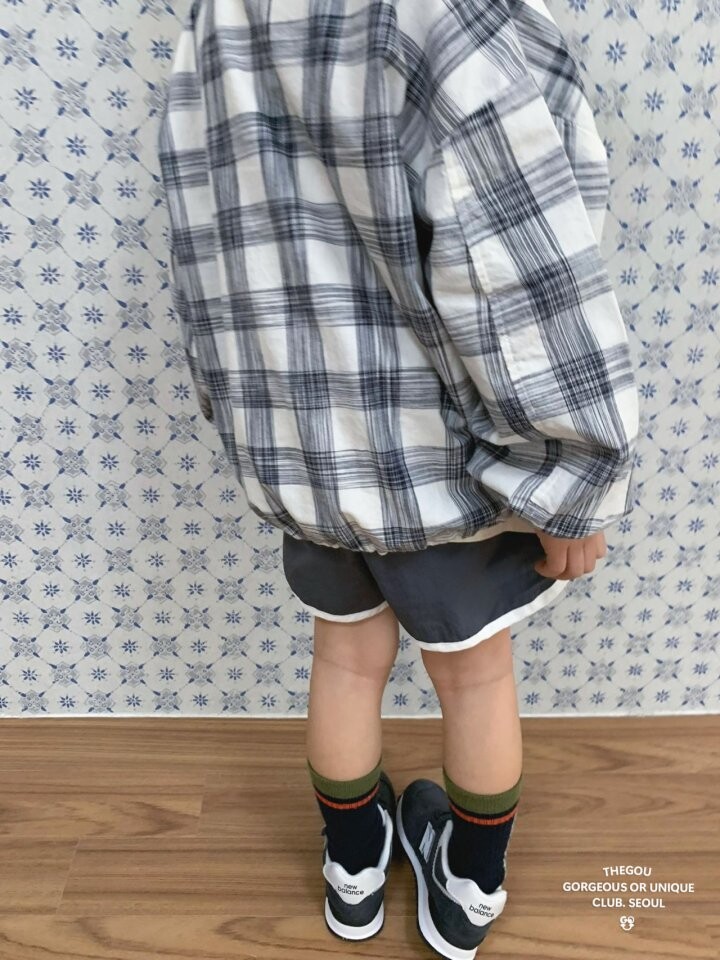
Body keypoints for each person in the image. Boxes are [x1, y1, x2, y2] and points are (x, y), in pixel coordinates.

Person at [157, 1, 639, 956]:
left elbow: (203, 248)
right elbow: (519, 265)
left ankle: (353, 875)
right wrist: (570, 472)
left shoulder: (216, 23)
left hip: (304, 459)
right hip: (437, 467)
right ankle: (470, 888)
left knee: (342, 661)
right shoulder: (436, 14)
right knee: (476, 680)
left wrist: (244, 424)